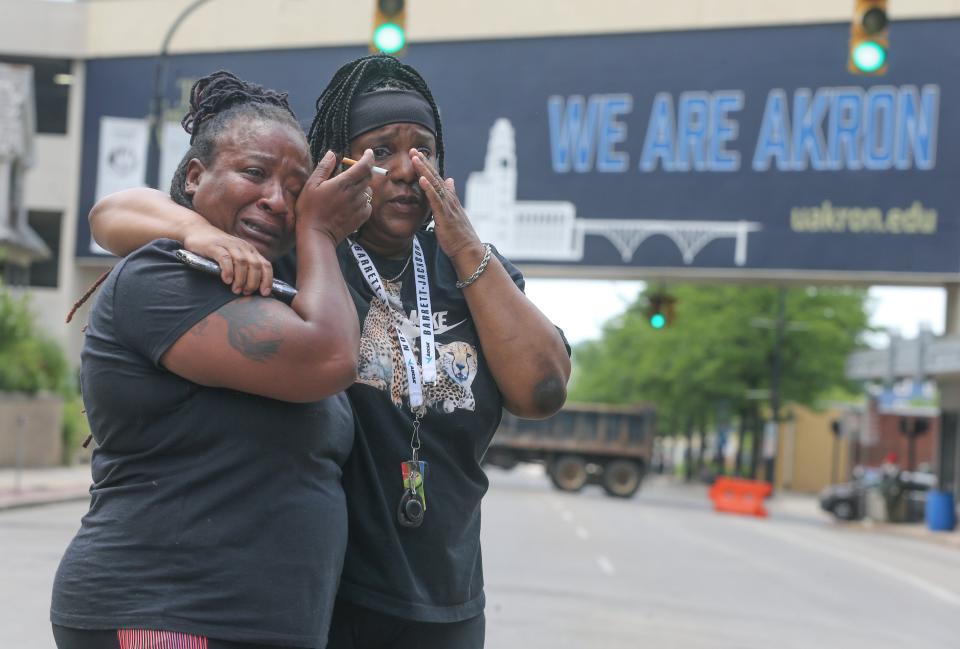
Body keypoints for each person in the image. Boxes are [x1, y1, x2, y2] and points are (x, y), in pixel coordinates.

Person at [88, 54, 572, 649]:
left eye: (422, 149)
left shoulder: (473, 271)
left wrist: (467, 246)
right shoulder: (299, 250)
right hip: (325, 598)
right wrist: (201, 232)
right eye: (380, 150)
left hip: (446, 601)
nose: (403, 169)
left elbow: (542, 390)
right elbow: (112, 214)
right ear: (335, 166)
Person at [52, 70, 375, 649]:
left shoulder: (283, 288)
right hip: (168, 615)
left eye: (296, 188)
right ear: (195, 177)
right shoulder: (165, 275)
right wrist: (196, 229)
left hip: (250, 624)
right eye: (254, 172)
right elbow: (330, 358)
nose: (277, 200)